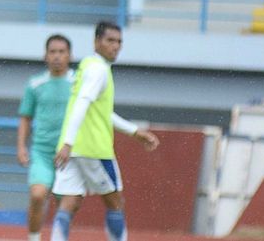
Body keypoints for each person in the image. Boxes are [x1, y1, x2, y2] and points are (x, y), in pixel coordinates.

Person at [50, 21, 160, 241]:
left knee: (69, 203)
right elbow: (82, 102)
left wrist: (134, 132)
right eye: (110, 40)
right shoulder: (99, 70)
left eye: (119, 41)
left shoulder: (87, 66)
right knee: (115, 202)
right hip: (93, 149)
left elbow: (101, 112)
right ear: (96, 42)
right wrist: (69, 142)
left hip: (73, 149)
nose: (116, 46)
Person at [17, 34, 74, 241]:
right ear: (45, 55)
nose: (57, 56)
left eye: (61, 52)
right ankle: (34, 238)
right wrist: (21, 147)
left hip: (69, 155)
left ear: (70, 55)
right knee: (38, 195)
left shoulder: (78, 83)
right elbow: (25, 117)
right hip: (41, 152)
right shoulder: (35, 84)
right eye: (53, 52)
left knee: (63, 206)